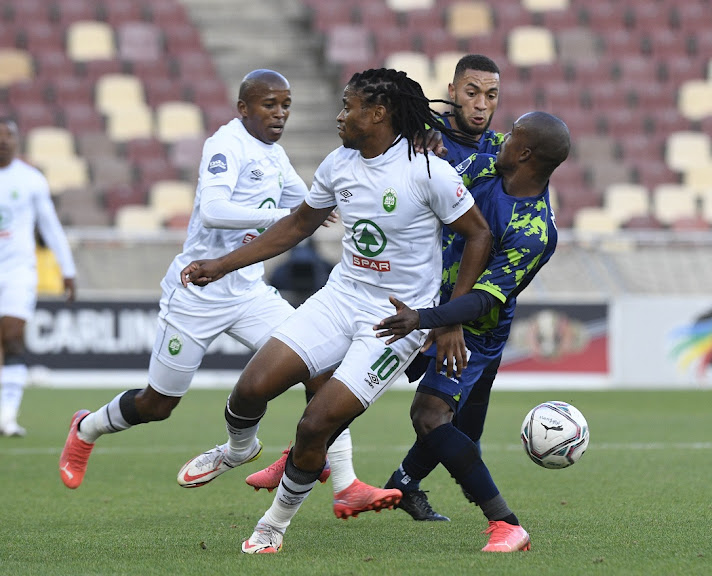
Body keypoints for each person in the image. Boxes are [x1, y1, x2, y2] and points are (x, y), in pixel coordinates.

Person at [177, 67, 492, 554]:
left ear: (379, 113)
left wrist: (449, 317)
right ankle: (239, 448)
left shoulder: (428, 170)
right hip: (339, 296)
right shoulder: (338, 163)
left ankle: (273, 525)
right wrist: (220, 265)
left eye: (349, 107)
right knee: (251, 388)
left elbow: (479, 235)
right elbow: (297, 225)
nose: (340, 115)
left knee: (314, 425)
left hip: (394, 322)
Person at [242, 54, 505, 521]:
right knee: (419, 414)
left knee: (455, 420)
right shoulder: (428, 139)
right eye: (471, 92)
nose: (480, 104)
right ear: (452, 89)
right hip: (383, 301)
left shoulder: (500, 151)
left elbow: (490, 219)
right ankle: (497, 519)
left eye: (491, 95)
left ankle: (371, 479)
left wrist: (453, 316)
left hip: (451, 307)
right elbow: (302, 220)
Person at [58, 69, 339, 489]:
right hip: (197, 292)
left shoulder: (273, 154)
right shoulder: (226, 144)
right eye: (269, 105)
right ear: (243, 108)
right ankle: (87, 429)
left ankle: (297, 456)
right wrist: (286, 217)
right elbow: (214, 209)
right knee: (158, 404)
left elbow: (305, 203)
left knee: (318, 368)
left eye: (286, 106)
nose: (280, 114)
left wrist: (333, 203)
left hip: (248, 293)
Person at [375, 111, 571, 552]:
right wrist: (426, 134)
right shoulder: (489, 161)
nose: (499, 137)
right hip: (424, 299)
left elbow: (485, 299)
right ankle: (400, 484)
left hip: (473, 333)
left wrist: (430, 320)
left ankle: (506, 524)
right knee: (446, 423)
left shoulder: (534, 231)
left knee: (437, 419)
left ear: (523, 153)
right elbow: (455, 140)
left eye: (512, 136)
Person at [0, 118, 77, 437]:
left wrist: (67, 270)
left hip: (18, 270)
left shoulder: (30, 179)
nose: (4, 141)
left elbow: (49, 226)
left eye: (9, 136)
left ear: (18, 141)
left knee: (13, 335)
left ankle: (7, 415)